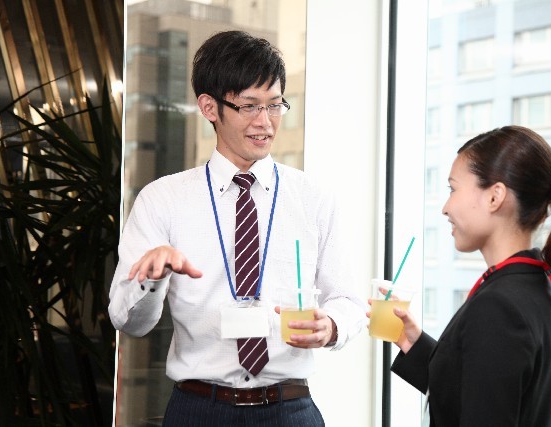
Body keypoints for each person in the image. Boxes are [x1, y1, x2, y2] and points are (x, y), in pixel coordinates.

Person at [108, 30, 366, 426]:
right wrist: (152, 278)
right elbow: (129, 323)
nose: (265, 123)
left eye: (275, 105)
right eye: (249, 106)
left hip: (290, 409)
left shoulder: (313, 198)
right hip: (198, 410)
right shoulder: (162, 199)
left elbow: (348, 300)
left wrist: (331, 326)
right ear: (209, 107)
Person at [389, 126, 551, 426]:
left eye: (453, 189)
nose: (446, 208)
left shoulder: (500, 306)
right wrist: (416, 345)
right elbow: (484, 391)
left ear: (495, 197)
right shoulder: (537, 286)